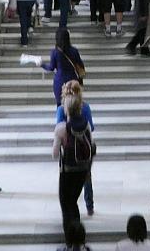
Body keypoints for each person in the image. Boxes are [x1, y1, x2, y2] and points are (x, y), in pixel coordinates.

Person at [53, 83, 95, 224]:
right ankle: (89, 206)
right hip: (84, 164)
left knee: (66, 204)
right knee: (74, 201)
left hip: (68, 167)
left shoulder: (61, 125)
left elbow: (55, 153)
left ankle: (71, 239)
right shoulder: (86, 117)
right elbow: (92, 138)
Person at [26, 26, 86, 105]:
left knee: (60, 105)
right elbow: (81, 65)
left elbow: (51, 68)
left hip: (60, 82)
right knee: (74, 104)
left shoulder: (55, 52)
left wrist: (42, 64)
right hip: (73, 81)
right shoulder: (74, 51)